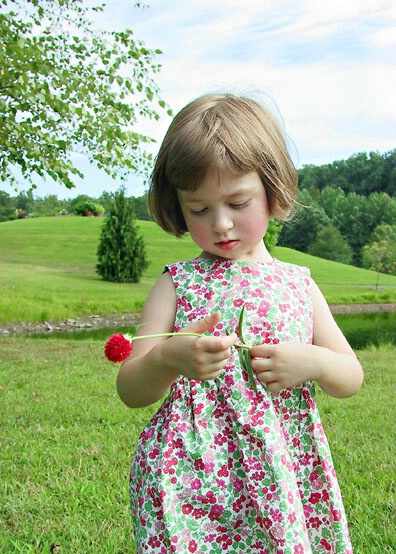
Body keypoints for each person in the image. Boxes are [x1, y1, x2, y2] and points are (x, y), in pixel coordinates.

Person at [116, 93, 364, 553]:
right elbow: (131, 388)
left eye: (237, 202)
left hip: (281, 466)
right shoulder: (178, 282)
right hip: (191, 476)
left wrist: (312, 362)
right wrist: (169, 357)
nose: (222, 224)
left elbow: (350, 375)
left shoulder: (298, 285)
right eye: (200, 209)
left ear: (272, 188)